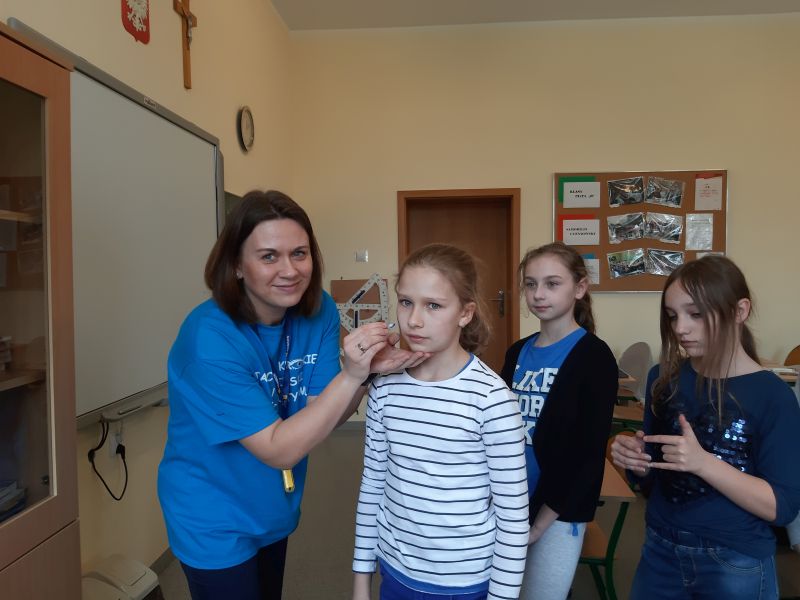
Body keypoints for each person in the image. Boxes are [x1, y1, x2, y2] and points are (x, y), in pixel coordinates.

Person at [158, 190, 426, 600]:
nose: (290, 271)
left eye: (299, 254)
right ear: (237, 265)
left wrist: (365, 373)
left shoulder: (317, 309)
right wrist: (352, 374)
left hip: (271, 505)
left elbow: (322, 412)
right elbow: (279, 449)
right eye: (269, 256)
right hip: (212, 515)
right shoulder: (208, 339)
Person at [610, 255, 800, 599]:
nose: (680, 328)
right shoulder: (662, 379)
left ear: (740, 311)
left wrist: (703, 463)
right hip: (660, 549)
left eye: (695, 314)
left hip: (734, 560)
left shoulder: (772, 396)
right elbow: (653, 481)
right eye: (673, 316)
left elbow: (782, 507)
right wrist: (636, 461)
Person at [352, 244, 529, 600]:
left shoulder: (492, 399)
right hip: (395, 570)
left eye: (433, 305)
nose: (414, 320)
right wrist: (361, 581)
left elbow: (513, 521)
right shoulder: (385, 388)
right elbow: (373, 486)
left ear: (465, 313)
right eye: (406, 302)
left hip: (462, 583)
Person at [499, 241, 618, 600]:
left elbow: (587, 454)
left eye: (552, 284)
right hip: (510, 499)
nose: (538, 294)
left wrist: (539, 525)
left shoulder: (594, 357)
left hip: (558, 510)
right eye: (531, 284)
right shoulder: (517, 351)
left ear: (579, 288)